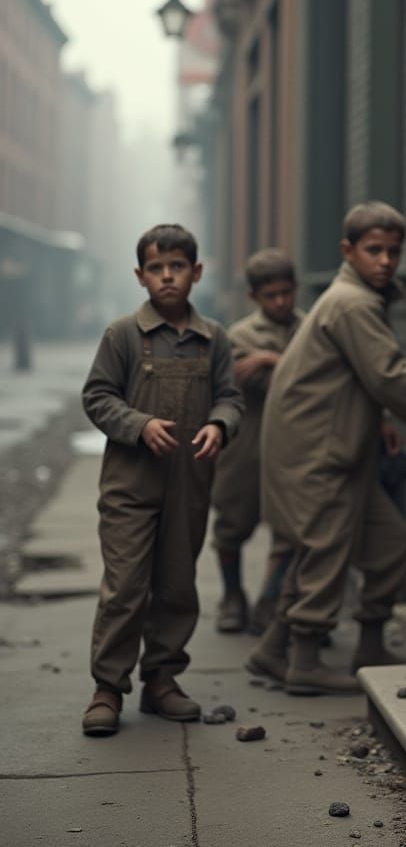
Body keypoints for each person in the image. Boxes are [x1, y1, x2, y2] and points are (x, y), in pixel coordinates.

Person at [249, 202, 406, 694]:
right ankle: (304, 662)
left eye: (393, 252)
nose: (385, 261)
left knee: (389, 545)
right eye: (373, 250)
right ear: (348, 251)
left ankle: (307, 647)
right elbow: (389, 375)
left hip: (340, 446)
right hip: (321, 451)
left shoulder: (357, 298)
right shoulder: (352, 303)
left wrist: (377, 419)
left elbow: (357, 377)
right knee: (325, 552)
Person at [80, 224, 244, 736]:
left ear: (196, 273)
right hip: (131, 486)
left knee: (176, 583)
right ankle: (108, 687)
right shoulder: (123, 335)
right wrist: (139, 424)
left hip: (190, 483)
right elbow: (97, 396)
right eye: (156, 268)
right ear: (140, 276)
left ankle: (162, 681)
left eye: (177, 267)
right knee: (126, 586)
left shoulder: (214, 338)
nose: (167, 276)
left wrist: (220, 424)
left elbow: (231, 397)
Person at [209, 248, 304, 635]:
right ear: (254, 297)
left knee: (293, 529)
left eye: (286, 292)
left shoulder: (310, 328)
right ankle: (233, 596)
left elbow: (315, 378)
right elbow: (242, 379)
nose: (281, 302)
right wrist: (269, 361)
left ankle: (271, 600)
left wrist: (270, 359)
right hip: (246, 445)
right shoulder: (240, 335)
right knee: (232, 524)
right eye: (271, 295)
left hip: (295, 446)